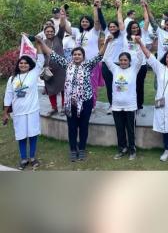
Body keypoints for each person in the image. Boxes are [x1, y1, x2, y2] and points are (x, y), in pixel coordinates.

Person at [37, 34, 109, 162]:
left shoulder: (88, 65)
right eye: (75, 54)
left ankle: (81, 149)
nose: (76, 56)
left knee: (83, 126)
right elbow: (52, 53)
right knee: (72, 127)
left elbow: (100, 55)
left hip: (86, 101)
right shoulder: (67, 65)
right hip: (70, 103)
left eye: (79, 54)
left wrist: (106, 42)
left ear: (83, 56)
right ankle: (73, 150)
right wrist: (41, 42)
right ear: (72, 56)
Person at [3, 40, 45, 170]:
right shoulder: (12, 78)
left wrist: (38, 45)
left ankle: (32, 158)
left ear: (29, 65)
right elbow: (8, 96)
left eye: (26, 63)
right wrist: (5, 113)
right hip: (19, 112)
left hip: (32, 110)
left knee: (32, 134)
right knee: (21, 136)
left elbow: (41, 60)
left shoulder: (33, 73)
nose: (23, 65)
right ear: (18, 65)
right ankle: (23, 159)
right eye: (21, 63)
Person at [103, 34, 143, 161]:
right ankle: (122, 148)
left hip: (130, 106)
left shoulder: (134, 70)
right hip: (116, 106)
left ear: (129, 61)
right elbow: (106, 58)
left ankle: (132, 150)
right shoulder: (115, 69)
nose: (123, 62)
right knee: (119, 129)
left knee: (130, 130)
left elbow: (140, 57)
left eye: (125, 60)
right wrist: (109, 43)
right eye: (121, 60)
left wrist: (137, 44)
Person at [68, 1, 102, 113]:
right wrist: (63, 15)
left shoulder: (94, 32)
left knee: (92, 84)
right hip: (79, 63)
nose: (84, 23)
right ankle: (81, 101)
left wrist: (95, 7)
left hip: (92, 63)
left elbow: (97, 21)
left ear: (90, 23)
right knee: (80, 84)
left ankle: (92, 105)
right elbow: (64, 26)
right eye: (82, 21)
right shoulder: (77, 32)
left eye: (86, 21)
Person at [96, 0, 126, 114]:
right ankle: (112, 105)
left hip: (118, 64)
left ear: (118, 28)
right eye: (110, 27)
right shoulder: (108, 34)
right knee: (109, 85)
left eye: (114, 27)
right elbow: (102, 21)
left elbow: (120, 19)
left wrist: (118, 8)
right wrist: (99, 8)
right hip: (106, 64)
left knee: (120, 84)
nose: (112, 28)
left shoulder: (122, 35)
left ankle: (121, 105)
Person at [123, 0, 150, 116]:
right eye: (133, 28)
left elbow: (146, 20)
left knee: (140, 86)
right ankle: (130, 105)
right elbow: (119, 21)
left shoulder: (142, 34)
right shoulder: (125, 36)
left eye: (136, 28)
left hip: (141, 65)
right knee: (129, 85)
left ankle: (139, 106)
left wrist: (144, 7)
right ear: (129, 29)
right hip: (129, 66)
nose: (135, 29)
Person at [41, 9, 67, 116]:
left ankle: (64, 107)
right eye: (47, 31)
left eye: (51, 31)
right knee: (50, 89)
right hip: (49, 70)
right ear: (44, 32)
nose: (49, 33)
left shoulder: (59, 38)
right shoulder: (43, 43)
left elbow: (62, 27)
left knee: (63, 88)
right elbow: (40, 57)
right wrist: (45, 67)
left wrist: (62, 16)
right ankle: (54, 108)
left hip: (61, 69)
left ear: (54, 32)